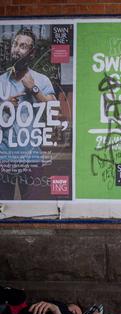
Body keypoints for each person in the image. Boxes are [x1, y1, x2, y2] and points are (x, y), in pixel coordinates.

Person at [0, 27, 57, 200]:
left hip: (31, 157)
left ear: (32, 53)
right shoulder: (1, 81)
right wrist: (4, 106)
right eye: (15, 44)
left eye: (23, 46)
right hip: (4, 157)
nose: (17, 49)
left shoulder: (41, 80)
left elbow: (54, 109)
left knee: (33, 207)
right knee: (3, 208)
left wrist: (34, 89)